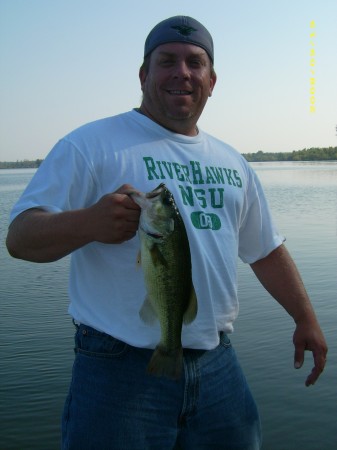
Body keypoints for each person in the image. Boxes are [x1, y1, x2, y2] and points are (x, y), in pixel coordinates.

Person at [6, 15, 327, 450]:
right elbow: (20, 239)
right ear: (143, 74)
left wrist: (305, 317)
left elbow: (265, 250)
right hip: (117, 369)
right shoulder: (90, 144)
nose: (183, 73)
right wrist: (88, 223)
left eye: (195, 63)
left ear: (212, 81)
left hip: (218, 363)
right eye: (167, 61)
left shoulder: (232, 162)